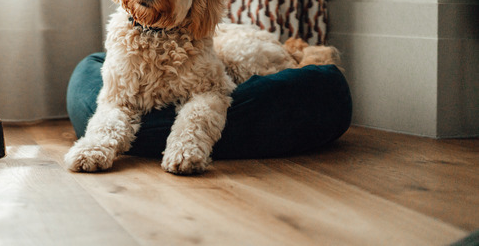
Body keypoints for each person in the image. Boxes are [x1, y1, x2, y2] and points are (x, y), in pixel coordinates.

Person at [66, 52, 352, 160]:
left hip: (233, 50)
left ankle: (295, 64)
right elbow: (116, 102)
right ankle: (98, 143)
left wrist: (187, 143)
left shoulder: (199, 42)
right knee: (115, 97)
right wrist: (101, 142)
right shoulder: (120, 44)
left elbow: (211, 94)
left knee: (235, 64)